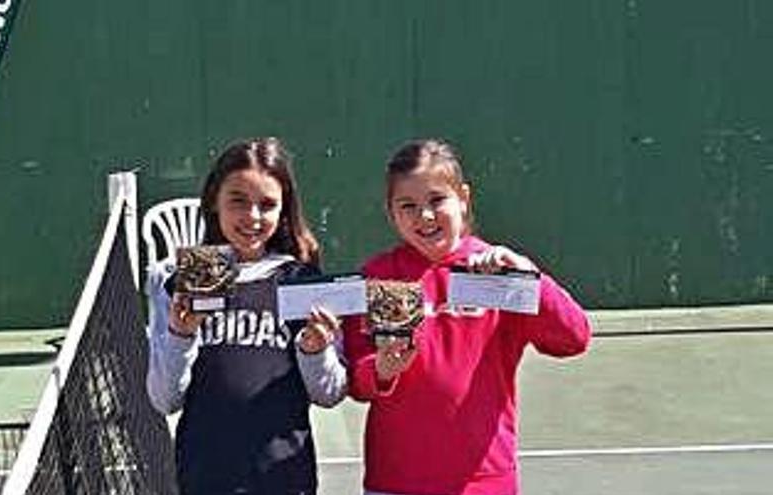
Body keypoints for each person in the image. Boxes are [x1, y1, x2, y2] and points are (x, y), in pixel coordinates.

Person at [344, 139, 591, 495]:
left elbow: (574, 338)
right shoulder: (378, 276)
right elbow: (356, 379)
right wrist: (381, 370)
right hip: (396, 479)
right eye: (408, 206)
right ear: (391, 212)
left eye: (436, 201)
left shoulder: (497, 272)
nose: (425, 216)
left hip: (483, 481)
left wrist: (527, 276)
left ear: (463, 198)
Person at [145, 137, 346, 495]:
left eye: (267, 205)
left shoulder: (302, 282)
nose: (252, 217)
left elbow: (329, 393)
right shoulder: (176, 282)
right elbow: (164, 399)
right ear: (214, 202)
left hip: (285, 478)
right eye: (238, 201)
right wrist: (180, 334)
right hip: (205, 478)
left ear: (283, 212)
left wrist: (316, 349)